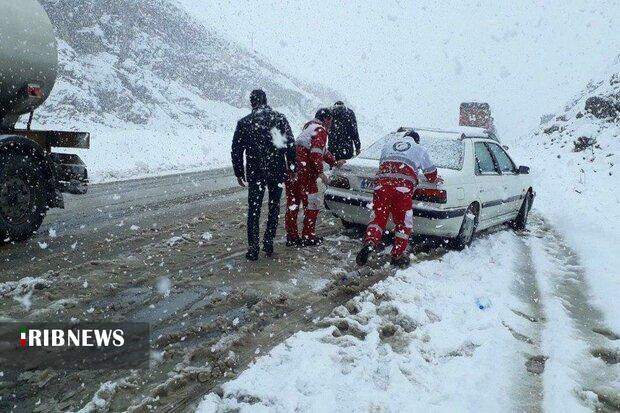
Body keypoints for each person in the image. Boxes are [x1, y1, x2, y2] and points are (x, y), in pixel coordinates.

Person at [356, 130, 442, 268]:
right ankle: (397, 255)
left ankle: (371, 241)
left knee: (378, 218)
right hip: (402, 190)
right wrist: (434, 178)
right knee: (403, 223)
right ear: (417, 141)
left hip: (381, 186)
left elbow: (383, 165)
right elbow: (430, 172)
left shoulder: (388, 145)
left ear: (404, 138)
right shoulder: (419, 149)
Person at [231, 89, 296, 261]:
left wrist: (239, 171)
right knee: (274, 206)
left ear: (252, 103)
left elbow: (236, 150)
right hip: (276, 170)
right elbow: (288, 144)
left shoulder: (245, 122)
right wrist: (292, 167)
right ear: (266, 101)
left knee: (254, 209)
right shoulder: (279, 119)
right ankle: (268, 243)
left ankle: (253, 249)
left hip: (255, 171)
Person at [285, 108, 345, 247]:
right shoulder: (320, 130)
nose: (331, 124)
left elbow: (322, 151)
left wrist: (335, 162)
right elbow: (316, 153)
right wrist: (321, 173)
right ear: (327, 119)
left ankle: (292, 237)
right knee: (312, 204)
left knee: (293, 204)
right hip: (305, 174)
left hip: (292, 172)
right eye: (330, 121)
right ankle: (308, 236)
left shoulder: (308, 130)